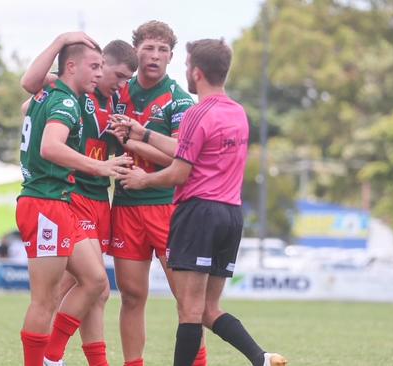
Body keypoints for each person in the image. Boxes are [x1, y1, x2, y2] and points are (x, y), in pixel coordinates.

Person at [114, 38, 287, 366]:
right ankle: (260, 357)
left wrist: (143, 180)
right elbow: (191, 150)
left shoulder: (196, 113)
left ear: (196, 72)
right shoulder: (238, 113)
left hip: (198, 213)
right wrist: (144, 133)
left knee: (190, 310)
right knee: (208, 309)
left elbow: (179, 172)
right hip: (231, 216)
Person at [20, 32, 138, 366]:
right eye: (98, 67)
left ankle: (54, 358)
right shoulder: (65, 96)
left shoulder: (74, 95)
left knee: (96, 284)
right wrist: (102, 167)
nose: (101, 75)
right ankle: (49, 358)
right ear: (73, 67)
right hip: (53, 198)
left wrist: (121, 143)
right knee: (50, 297)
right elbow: (49, 144)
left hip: (58, 198)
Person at [105, 21, 205, 366]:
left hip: (168, 208)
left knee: (187, 302)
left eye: (163, 50)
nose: (155, 56)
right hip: (126, 207)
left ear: (172, 57)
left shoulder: (179, 100)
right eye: (149, 47)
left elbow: (180, 157)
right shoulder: (117, 91)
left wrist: (131, 141)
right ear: (136, 51)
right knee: (132, 296)